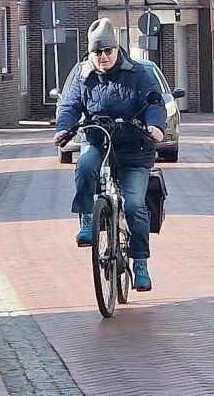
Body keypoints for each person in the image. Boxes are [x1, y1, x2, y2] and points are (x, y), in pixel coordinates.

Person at [54, 18, 167, 292]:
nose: (103, 57)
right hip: (99, 141)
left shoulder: (138, 73)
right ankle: (87, 219)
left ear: (117, 49)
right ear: (90, 53)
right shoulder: (83, 76)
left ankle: (140, 263)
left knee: (134, 205)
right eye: (97, 52)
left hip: (135, 148)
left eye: (108, 51)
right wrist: (64, 128)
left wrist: (155, 126)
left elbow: (154, 101)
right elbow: (70, 105)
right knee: (84, 168)